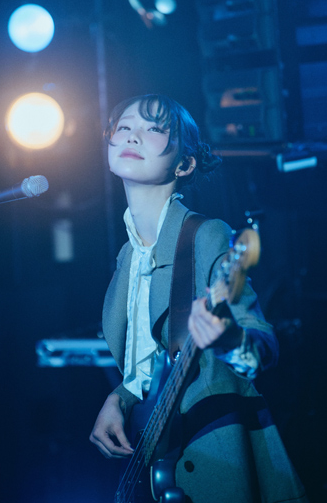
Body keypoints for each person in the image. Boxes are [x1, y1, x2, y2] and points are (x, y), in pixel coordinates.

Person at [89, 94, 308, 503]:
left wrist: (228, 340)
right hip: (154, 470)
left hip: (214, 457)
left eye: (154, 129)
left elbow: (264, 345)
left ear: (185, 163)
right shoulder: (127, 258)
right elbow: (151, 369)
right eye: (124, 127)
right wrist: (119, 398)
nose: (133, 135)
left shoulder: (205, 236)